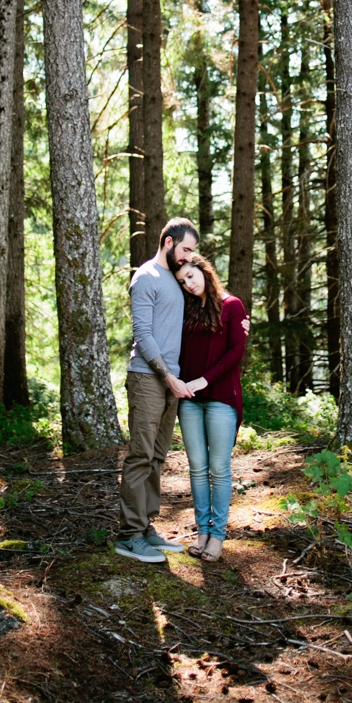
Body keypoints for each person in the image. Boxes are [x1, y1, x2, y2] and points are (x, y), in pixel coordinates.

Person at [115, 217, 200, 564]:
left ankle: (146, 526)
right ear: (168, 242)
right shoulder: (145, 277)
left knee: (157, 456)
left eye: (192, 252)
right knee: (140, 455)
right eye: (186, 249)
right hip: (149, 377)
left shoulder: (177, 280)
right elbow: (143, 334)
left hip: (171, 380)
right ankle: (129, 536)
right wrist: (168, 377)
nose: (189, 257)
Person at [174, 254, 247, 563]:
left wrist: (205, 380)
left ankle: (218, 536)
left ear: (203, 271)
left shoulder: (232, 306)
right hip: (189, 401)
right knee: (197, 468)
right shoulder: (186, 311)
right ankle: (202, 530)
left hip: (220, 399)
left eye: (191, 276)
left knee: (219, 469)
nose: (189, 285)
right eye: (182, 282)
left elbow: (236, 352)